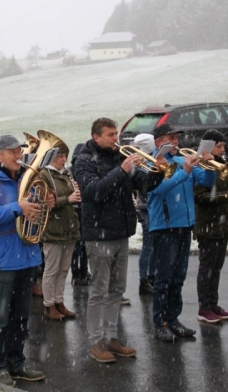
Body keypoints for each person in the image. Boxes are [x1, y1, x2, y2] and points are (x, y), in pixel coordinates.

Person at [0, 135, 51, 386]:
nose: (19, 155)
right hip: (3, 260)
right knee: (0, 318)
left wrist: (44, 203)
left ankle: (17, 363)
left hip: (27, 257)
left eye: (20, 150)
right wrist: (18, 208)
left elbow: (33, 213)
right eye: (12, 151)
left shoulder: (25, 179)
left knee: (21, 316)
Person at [74, 117, 150, 363]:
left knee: (117, 289)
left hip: (121, 232)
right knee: (98, 291)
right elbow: (93, 192)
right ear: (96, 137)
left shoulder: (118, 156)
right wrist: (122, 171)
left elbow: (142, 185)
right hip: (99, 235)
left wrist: (155, 170)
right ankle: (95, 342)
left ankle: (111, 337)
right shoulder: (84, 160)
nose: (115, 138)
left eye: (116, 133)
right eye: (110, 134)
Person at [148, 123, 215, 342]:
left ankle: (173, 319)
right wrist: (185, 172)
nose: (176, 142)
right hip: (164, 228)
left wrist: (209, 166)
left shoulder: (179, 160)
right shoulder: (151, 164)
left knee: (178, 278)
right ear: (159, 142)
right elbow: (158, 189)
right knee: (163, 279)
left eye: (177, 138)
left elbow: (205, 182)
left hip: (185, 226)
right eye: (170, 138)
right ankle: (159, 323)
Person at [193, 129, 228, 323]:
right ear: (208, 146)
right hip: (207, 223)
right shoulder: (199, 165)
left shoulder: (220, 163)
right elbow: (199, 197)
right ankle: (204, 308)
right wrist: (225, 195)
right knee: (207, 268)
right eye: (218, 146)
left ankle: (213, 304)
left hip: (221, 222)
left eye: (223, 145)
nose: (222, 149)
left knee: (217, 267)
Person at [39, 142, 81, 321]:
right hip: (53, 228)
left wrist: (76, 194)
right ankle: (49, 305)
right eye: (60, 156)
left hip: (68, 226)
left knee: (64, 269)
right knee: (51, 269)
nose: (64, 160)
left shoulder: (66, 173)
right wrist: (68, 199)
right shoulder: (44, 175)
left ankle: (59, 301)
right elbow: (45, 204)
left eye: (65, 156)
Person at [133, 133, 156, 295]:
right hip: (145, 207)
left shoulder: (152, 159)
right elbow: (142, 186)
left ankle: (152, 275)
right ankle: (143, 280)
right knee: (148, 245)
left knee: (154, 244)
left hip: (153, 206)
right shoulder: (140, 163)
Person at [69, 143, 90, 286]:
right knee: (78, 246)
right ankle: (77, 274)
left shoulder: (80, 171)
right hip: (75, 212)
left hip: (82, 211)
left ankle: (82, 272)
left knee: (82, 245)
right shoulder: (70, 173)